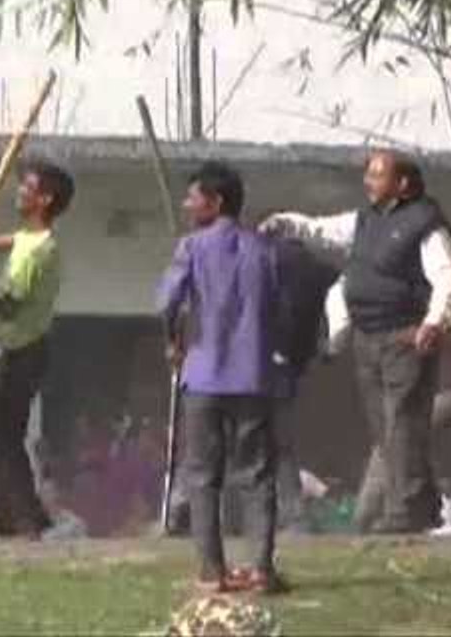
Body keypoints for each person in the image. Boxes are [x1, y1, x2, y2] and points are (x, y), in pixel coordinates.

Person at [262, 150, 451, 534]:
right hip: (368, 339)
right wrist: (287, 223)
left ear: (402, 184)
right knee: (384, 427)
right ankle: (420, 505)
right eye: (368, 174)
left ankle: (404, 512)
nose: (367, 182)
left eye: (376, 175)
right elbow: (323, 230)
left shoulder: (423, 224)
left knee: (402, 424)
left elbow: (450, 274)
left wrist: (434, 321)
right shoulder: (366, 221)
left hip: (406, 339)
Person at [158, 161, 286, 594]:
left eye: (193, 197)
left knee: (202, 476)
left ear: (214, 202)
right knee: (257, 475)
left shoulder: (192, 247)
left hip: (204, 376)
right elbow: (278, 307)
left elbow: (168, 302)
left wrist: (173, 342)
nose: (187, 204)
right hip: (253, 376)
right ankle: (262, 568)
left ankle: (212, 571)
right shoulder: (264, 250)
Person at [0, 160, 75, 540]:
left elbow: (7, 307)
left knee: (6, 437)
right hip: (16, 352)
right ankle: (6, 520)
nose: (19, 192)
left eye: (27, 188)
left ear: (45, 199)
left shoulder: (39, 251)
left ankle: (28, 521)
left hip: (24, 353)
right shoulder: (27, 239)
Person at [264, 231, 339, 532]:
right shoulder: (317, 270)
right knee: (280, 444)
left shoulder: (265, 264)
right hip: (290, 366)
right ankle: (294, 517)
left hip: (256, 365)